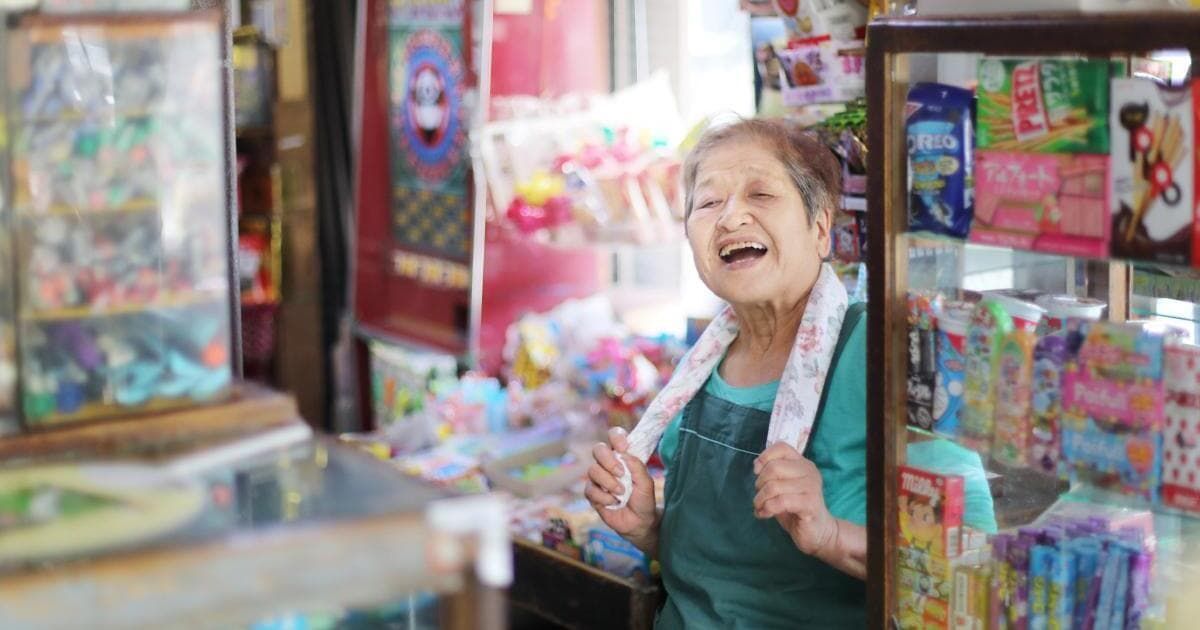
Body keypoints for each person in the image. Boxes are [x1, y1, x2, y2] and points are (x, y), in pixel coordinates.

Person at [584, 118, 995, 628]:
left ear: (821, 228)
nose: (732, 217)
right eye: (708, 203)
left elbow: (971, 559)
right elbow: (721, 578)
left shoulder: (888, 353)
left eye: (760, 194)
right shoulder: (698, 368)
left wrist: (829, 535)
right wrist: (649, 528)